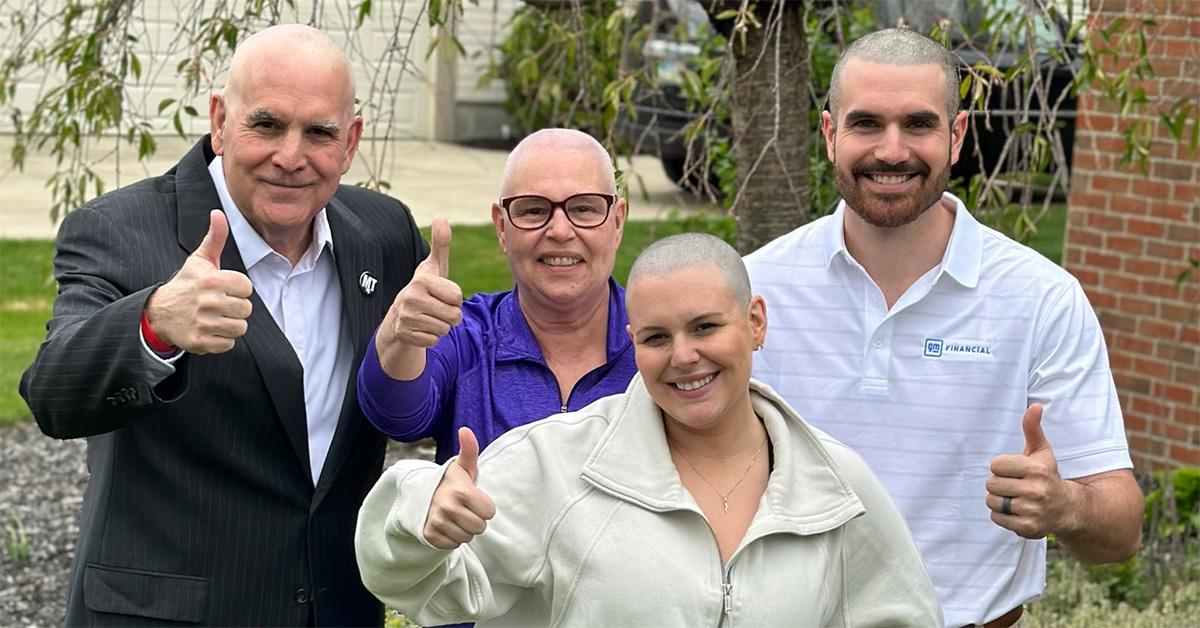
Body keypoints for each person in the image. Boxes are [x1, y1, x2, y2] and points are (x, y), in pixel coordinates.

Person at [20, 24, 426, 626]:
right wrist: (153, 325)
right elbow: (54, 394)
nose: (291, 156)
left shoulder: (385, 233)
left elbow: (419, 392)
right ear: (219, 120)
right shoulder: (118, 229)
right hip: (170, 615)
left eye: (319, 132)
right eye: (266, 124)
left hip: (337, 608)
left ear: (351, 141)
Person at [744, 28, 1143, 627]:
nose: (892, 149)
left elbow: (1122, 530)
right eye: (867, 124)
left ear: (955, 137)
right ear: (830, 135)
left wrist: (1064, 507)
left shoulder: (1041, 299)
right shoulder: (756, 288)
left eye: (919, 124)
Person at [354, 233, 943, 627]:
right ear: (633, 344)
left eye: (706, 327)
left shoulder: (835, 484)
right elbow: (416, 588)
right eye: (657, 338)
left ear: (755, 322)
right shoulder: (559, 464)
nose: (684, 356)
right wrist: (419, 515)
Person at [357, 128, 637, 462]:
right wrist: (400, 337)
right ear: (501, 227)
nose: (560, 231)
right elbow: (396, 414)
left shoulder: (657, 343)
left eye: (584, 209)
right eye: (533, 210)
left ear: (617, 222)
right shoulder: (468, 338)